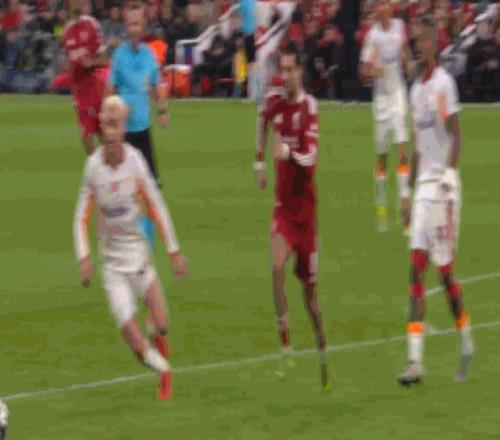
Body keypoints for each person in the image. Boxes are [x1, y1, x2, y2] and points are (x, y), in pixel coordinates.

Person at [73, 95, 188, 399]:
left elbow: (156, 204)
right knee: (136, 343)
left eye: (116, 126)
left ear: (123, 129)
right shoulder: (93, 168)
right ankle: (165, 372)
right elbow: (80, 216)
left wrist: (173, 251)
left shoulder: (136, 162)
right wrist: (84, 257)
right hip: (112, 267)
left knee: (162, 324)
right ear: (102, 129)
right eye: (107, 126)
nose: (111, 134)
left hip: (137, 255)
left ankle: (157, 341)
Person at [398, 16, 474, 387]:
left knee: (444, 275)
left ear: (435, 43)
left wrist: (447, 177)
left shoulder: (444, 84)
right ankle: (414, 362)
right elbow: (417, 148)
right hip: (423, 191)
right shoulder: (416, 90)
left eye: (423, 40)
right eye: (414, 41)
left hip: (444, 188)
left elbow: (456, 136)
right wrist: (406, 192)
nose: (417, 46)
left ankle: (466, 343)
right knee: (415, 270)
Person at [255, 42, 330, 391]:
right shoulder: (274, 102)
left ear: (300, 71)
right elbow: (261, 121)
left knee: (310, 298)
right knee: (275, 268)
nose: (284, 76)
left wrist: (288, 152)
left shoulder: (309, 107)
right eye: (281, 70)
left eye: (289, 70)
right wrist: (259, 162)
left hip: (306, 217)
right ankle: (286, 347)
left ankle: (322, 348)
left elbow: (311, 158)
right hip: (283, 210)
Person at [359, 0, 413, 233]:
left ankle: (404, 205)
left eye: (386, 4)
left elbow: (405, 51)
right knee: (382, 156)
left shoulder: (399, 26)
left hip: (398, 94)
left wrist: (408, 63)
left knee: (402, 150)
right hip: (381, 100)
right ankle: (381, 207)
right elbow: (363, 72)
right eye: (379, 4)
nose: (383, 8)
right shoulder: (372, 36)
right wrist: (374, 71)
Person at [107, 0, 168, 188]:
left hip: (143, 128)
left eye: (138, 24)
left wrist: (162, 110)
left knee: (153, 186)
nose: (134, 29)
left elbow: (154, 86)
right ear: (126, 27)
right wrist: (109, 115)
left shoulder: (149, 55)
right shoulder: (119, 55)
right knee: (123, 185)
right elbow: (111, 90)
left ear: (143, 26)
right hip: (123, 131)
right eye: (131, 24)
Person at [63, 0, 107, 155]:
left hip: (95, 85)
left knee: (102, 132)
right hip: (79, 89)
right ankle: (95, 163)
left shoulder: (92, 25)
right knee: (85, 133)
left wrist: (91, 63)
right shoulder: (67, 29)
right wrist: (67, 67)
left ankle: (114, 161)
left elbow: (104, 58)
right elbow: (68, 59)